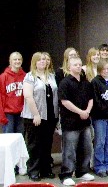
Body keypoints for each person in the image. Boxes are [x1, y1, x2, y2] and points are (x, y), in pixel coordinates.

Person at [21, 52, 59, 181]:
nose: (42, 61)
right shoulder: (29, 77)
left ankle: (45, 169)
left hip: (50, 116)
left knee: (47, 144)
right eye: (39, 60)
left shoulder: (51, 76)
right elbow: (28, 96)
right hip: (34, 116)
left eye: (44, 59)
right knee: (34, 145)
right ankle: (33, 170)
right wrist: (36, 114)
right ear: (34, 62)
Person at [58, 57, 95, 186]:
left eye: (80, 64)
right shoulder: (65, 83)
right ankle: (66, 174)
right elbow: (65, 101)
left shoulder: (86, 83)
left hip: (85, 122)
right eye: (75, 65)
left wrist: (87, 112)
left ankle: (82, 171)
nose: (78, 66)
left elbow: (91, 98)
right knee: (70, 150)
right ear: (69, 67)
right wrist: (80, 112)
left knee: (86, 148)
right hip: (70, 122)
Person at [0, 52, 26, 133]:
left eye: (19, 59)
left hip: (21, 113)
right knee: (9, 140)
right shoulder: (3, 77)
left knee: (19, 139)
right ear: (10, 61)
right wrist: (1, 115)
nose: (17, 61)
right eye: (15, 59)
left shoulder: (25, 76)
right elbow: (0, 96)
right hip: (8, 114)